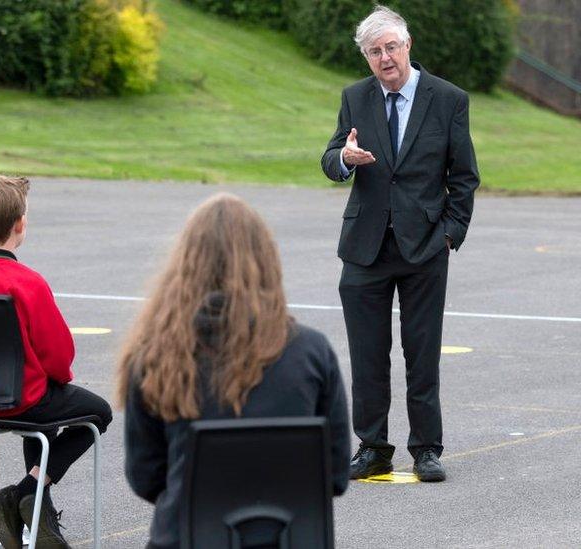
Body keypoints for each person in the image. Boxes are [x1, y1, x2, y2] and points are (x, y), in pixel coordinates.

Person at [118, 193, 350, 549]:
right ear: (266, 260)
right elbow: (334, 475)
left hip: (185, 536)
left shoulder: (156, 354)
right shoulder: (311, 352)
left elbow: (146, 476)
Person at [320, 5, 479, 482]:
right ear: (367, 58)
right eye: (374, 51)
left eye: (391, 47)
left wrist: (450, 234)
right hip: (365, 247)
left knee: (421, 352)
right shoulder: (355, 98)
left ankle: (426, 448)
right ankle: (372, 448)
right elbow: (330, 158)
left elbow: (464, 178)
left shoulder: (448, 99)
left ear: (407, 46)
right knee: (367, 354)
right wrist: (344, 158)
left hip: (425, 247)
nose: (385, 57)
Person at [0, 175, 113, 549]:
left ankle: (37, 515)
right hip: (20, 399)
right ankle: (25, 492)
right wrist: (59, 377)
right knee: (98, 413)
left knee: (47, 415)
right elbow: (58, 354)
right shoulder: (27, 282)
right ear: (20, 224)